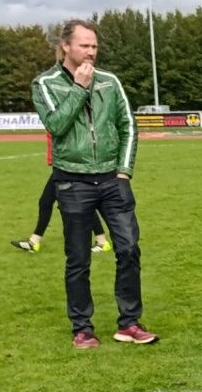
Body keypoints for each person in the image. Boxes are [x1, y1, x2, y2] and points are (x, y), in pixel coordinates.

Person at [29, 21, 156, 348]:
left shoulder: (110, 82)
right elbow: (56, 125)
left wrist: (124, 171)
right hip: (72, 182)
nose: (91, 52)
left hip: (113, 180)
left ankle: (129, 323)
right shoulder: (44, 83)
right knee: (78, 259)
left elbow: (128, 126)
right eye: (84, 45)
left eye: (94, 46)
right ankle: (82, 328)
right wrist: (79, 88)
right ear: (65, 46)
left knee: (129, 248)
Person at [12, 131, 109, 255]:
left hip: (67, 167)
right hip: (62, 167)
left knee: (49, 202)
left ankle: (34, 241)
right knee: (49, 202)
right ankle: (34, 241)